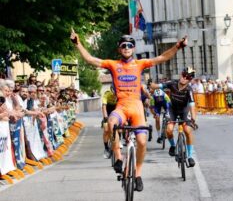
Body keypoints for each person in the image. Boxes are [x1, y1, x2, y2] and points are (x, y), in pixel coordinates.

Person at [71, 29, 187, 192]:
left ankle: (138, 174)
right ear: (119, 49)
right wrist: (78, 44)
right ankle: (118, 157)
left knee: (141, 142)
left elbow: (162, 57)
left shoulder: (139, 64)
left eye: (130, 45)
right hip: (122, 107)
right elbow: (91, 59)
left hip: (137, 107)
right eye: (123, 45)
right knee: (111, 122)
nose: (127, 47)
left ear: (133, 48)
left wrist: (177, 46)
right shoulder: (113, 64)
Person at [150, 67, 198, 167]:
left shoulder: (189, 90)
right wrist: (151, 85)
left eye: (188, 77)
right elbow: (158, 86)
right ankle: (172, 145)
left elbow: (192, 106)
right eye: (184, 75)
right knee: (169, 130)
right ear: (181, 74)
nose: (185, 78)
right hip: (172, 110)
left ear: (190, 80)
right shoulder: (172, 83)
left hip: (184, 110)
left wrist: (193, 119)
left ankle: (189, 156)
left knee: (187, 130)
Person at [101, 85, 117, 159]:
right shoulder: (107, 94)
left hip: (116, 109)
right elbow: (104, 107)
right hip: (108, 110)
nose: (114, 94)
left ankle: (119, 140)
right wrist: (105, 117)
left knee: (119, 128)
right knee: (106, 130)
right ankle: (106, 147)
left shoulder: (119, 94)